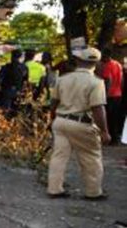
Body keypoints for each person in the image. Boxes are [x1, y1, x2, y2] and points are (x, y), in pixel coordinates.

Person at [47, 41, 111, 200]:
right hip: (81, 124)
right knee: (91, 157)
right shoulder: (96, 82)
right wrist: (104, 131)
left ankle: (54, 189)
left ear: (78, 60)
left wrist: (52, 119)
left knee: (59, 156)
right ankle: (93, 192)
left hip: (61, 121)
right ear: (95, 63)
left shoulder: (63, 79)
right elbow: (98, 108)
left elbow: (53, 102)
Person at [99, 49, 123, 145]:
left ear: (106, 56)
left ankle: (111, 139)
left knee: (108, 117)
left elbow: (108, 80)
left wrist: (105, 94)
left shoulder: (108, 65)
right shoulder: (118, 64)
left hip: (110, 95)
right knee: (115, 117)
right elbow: (122, 80)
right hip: (118, 94)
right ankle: (116, 138)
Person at [0, 49, 28, 115]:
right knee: (14, 110)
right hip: (18, 91)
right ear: (20, 57)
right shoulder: (24, 67)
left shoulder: (6, 66)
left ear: (12, 56)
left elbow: (0, 78)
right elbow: (25, 81)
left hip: (6, 90)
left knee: (4, 109)